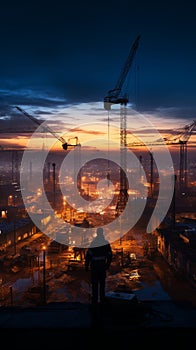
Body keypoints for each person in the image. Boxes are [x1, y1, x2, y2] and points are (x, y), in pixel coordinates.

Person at [85, 227, 112, 304]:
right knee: (102, 284)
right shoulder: (106, 243)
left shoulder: (93, 243)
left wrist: (86, 266)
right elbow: (110, 255)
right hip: (102, 267)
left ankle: (95, 301)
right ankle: (102, 299)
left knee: (95, 284)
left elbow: (88, 255)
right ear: (102, 233)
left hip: (94, 267)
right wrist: (107, 265)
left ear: (97, 233)